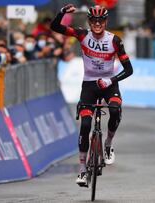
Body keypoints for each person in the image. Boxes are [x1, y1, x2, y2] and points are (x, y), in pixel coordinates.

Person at [51, 4, 133, 187]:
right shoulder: (82, 34)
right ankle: (81, 170)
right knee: (86, 125)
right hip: (89, 84)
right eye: (94, 21)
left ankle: (108, 144)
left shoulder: (115, 41)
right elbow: (55, 27)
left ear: (106, 22)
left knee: (114, 109)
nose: (97, 24)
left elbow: (129, 69)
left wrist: (111, 81)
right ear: (89, 21)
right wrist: (62, 13)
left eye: (101, 20)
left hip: (109, 84)